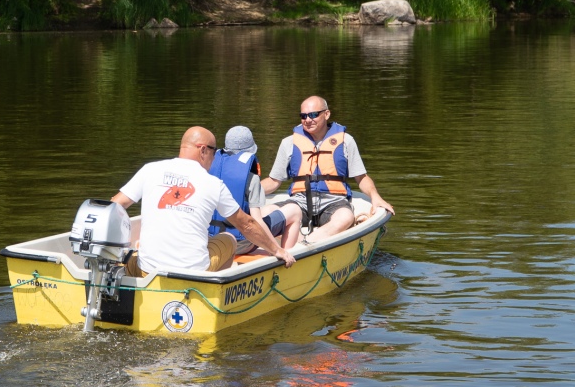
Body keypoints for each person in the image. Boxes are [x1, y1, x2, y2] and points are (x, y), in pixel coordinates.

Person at [112, 126, 294, 276]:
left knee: (132, 256)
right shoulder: (213, 184)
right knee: (229, 239)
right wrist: (277, 251)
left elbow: (116, 204)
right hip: (192, 273)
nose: (214, 159)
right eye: (214, 153)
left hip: (147, 270)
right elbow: (246, 225)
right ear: (203, 150)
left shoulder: (149, 169)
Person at [262, 96, 394, 243]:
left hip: (334, 202)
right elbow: (273, 181)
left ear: (326, 114)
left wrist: (375, 197)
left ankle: (307, 244)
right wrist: (246, 192)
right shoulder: (288, 143)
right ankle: (300, 246)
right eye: (303, 116)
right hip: (299, 202)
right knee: (265, 213)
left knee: (346, 216)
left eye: (313, 115)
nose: (308, 119)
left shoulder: (346, 141)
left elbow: (361, 178)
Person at [209, 126, 300, 254]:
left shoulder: (208, 170)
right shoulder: (251, 178)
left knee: (268, 210)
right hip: (242, 244)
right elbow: (256, 221)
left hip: (213, 240)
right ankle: (286, 255)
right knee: (295, 211)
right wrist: (276, 249)